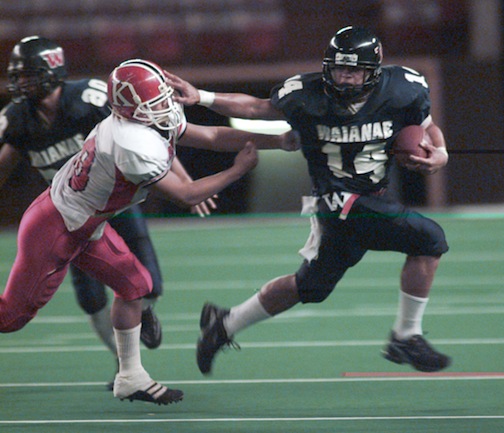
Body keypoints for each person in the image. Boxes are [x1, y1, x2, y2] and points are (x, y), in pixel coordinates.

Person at [0, 58, 298, 404]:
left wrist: (279, 141)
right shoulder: (130, 142)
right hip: (57, 227)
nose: (164, 107)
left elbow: (213, 135)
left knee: (136, 286)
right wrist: (236, 171)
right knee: (11, 318)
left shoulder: (142, 118)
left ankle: (130, 377)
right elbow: (186, 195)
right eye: (153, 103)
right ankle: (129, 374)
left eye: (162, 98)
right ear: (128, 109)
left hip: (87, 221)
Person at [167, 26, 452, 375]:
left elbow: (428, 126)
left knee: (310, 287)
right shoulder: (306, 93)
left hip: (373, 196)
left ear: (373, 71)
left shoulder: (404, 88)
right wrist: (204, 97)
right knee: (429, 238)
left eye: (354, 70)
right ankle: (406, 336)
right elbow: (257, 107)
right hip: (335, 201)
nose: (345, 78)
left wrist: (440, 153)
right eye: (339, 69)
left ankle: (223, 324)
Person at [0, 36, 214, 386]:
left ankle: (143, 315)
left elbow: (153, 137)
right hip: (72, 213)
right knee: (90, 298)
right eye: (18, 76)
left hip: (117, 201)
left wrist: (186, 181)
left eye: (28, 75)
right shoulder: (18, 119)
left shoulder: (90, 100)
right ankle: (123, 363)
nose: (21, 83)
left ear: (52, 71)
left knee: (147, 281)